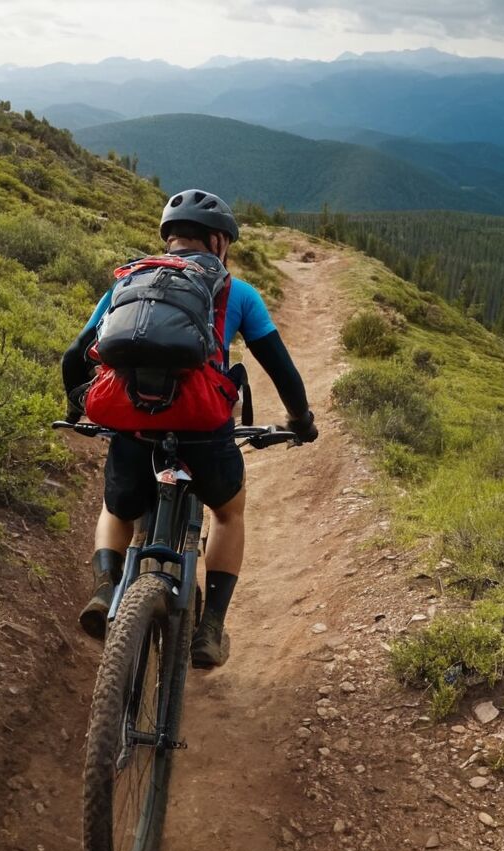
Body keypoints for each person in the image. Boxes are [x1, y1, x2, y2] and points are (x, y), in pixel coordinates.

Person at [61, 189, 318, 668]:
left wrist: (77, 410)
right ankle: (211, 627)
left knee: (116, 508)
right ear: (220, 241)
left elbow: (75, 355)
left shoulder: (128, 281)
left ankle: (105, 590)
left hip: (134, 428)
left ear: (169, 239)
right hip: (204, 430)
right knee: (227, 513)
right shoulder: (238, 293)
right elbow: (281, 370)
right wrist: (301, 422)